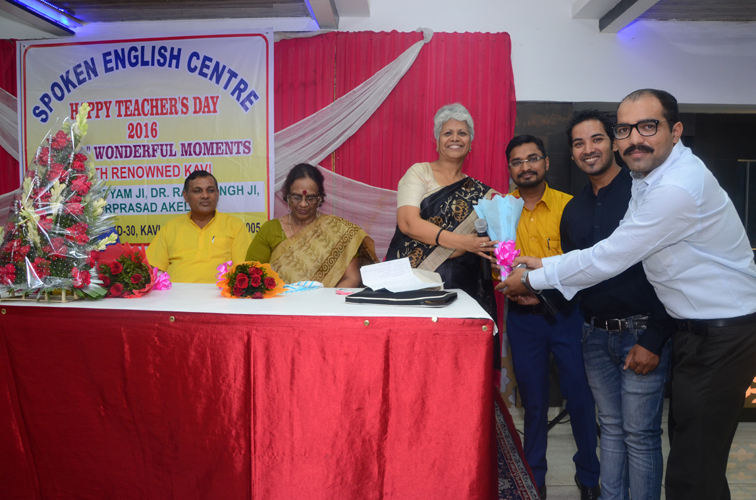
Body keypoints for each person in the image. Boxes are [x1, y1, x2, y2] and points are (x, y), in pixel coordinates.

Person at [501, 89, 756, 500]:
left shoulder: (676, 187)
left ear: (675, 130)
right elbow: (608, 249)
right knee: (691, 458)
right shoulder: (646, 179)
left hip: (723, 335)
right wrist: (544, 267)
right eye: (625, 129)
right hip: (693, 332)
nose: (635, 138)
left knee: (691, 471)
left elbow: (612, 257)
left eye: (647, 126)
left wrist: (534, 279)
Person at [561, 109, 674, 500]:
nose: (588, 149)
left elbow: (671, 271)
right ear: (571, 154)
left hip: (642, 333)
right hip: (594, 335)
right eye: (578, 143)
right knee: (609, 428)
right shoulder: (573, 210)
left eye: (596, 139)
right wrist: (531, 288)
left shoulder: (644, 193)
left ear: (613, 142)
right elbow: (574, 274)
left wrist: (655, 337)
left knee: (640, 435)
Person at [499, 134, 600, 500]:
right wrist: (515, 288)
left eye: (532, 158)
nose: (525, 167)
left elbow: (581, 263)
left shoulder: (570, 206)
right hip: (523, 318)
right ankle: (534, 475)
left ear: (546, 162)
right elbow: (498, 264)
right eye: (517, 161)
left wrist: (540, 287)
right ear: (510, 169)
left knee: (580, 398)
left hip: (567, 316)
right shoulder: (501, 210)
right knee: (534, 400)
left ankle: (589, 475)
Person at [385, 103, 500, 368]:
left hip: (462, 288)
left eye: (462, 133)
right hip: (415, 285)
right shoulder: (419, 173)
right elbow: (408, 223)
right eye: (448, 133)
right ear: (437, 140)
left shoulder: (482, 194)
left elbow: (488, 245)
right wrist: (463, 242)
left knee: (457, 363)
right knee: (415, 359)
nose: (455, 138)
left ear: (471, 143)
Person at [246, 163, 378, 287]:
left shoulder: (338, 230)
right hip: (279, 301)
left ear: (319, 198)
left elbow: (352, 277)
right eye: (297, 197)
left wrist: (325, 301)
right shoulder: (270, 229)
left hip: (326, 302)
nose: (303, 204)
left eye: (310, 198)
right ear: (288, 196)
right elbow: (251, 276)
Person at [146, 170, 251, 283]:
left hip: (220, 292)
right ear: (186, 196)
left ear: (217, 194)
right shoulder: (171, 227)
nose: (205, 196)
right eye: (197, 191)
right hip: (176, 292)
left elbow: (244, 270)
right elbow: (153, 268)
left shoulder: (234, 226)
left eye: (210, 190)